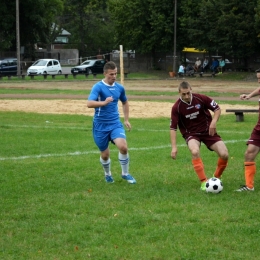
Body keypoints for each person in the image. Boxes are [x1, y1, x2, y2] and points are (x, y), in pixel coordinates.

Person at [170, 81, 229, 190]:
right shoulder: (176, 107)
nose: (186, 96)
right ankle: (203, 182)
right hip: (191, 134)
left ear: (191, 89)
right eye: (183, 94)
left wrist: (214, 122)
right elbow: (173, 128)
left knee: (224, 154)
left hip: (208, 132)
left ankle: (216, 178)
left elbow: (217, 109)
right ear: (179, 92)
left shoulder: (201, 98)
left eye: (188, 93)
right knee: (195, 151)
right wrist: (174, 147)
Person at [87, 61, 136, 184]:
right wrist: (103, 103)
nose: (114, 77)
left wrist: (126, 119)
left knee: (123, 147)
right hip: (100, 125)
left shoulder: (119, 88)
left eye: (115, 74)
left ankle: (125, 173)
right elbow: (89, 103)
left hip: (115, 123)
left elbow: (125, 102)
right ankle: (107, 174)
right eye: (111, 74)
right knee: (105, 155)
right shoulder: (98, 87)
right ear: (105, 73)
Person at [235, 71, 260, 191]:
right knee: (249, 153)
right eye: (258, 78)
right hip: (259, 128)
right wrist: (249, 96)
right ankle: (249, 186)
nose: (259, 81)